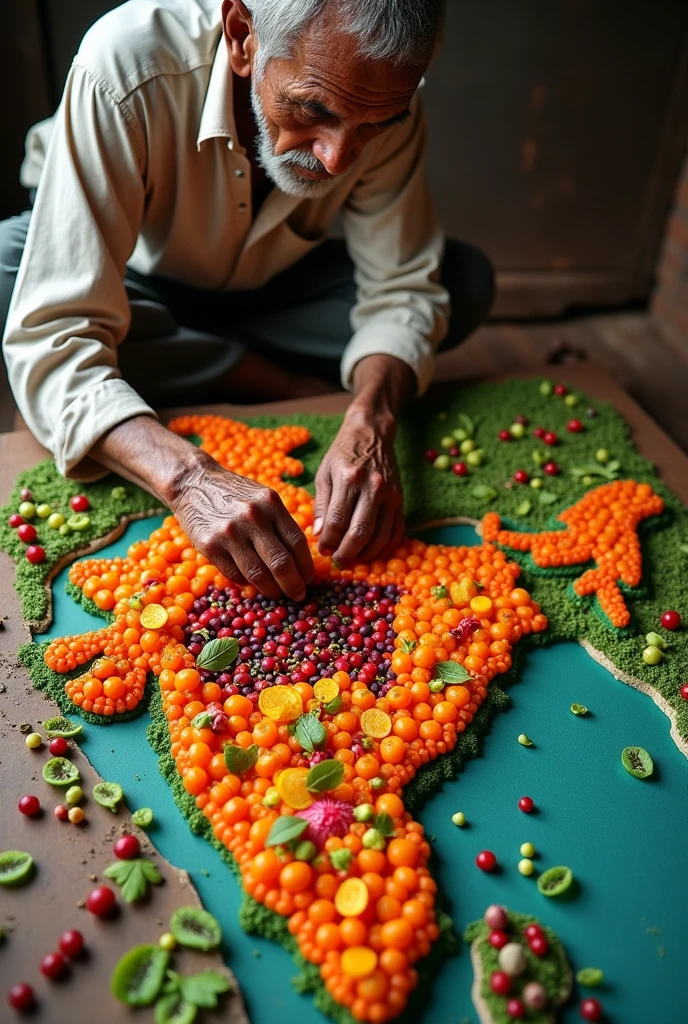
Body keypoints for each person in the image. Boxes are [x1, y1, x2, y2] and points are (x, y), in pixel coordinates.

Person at [0, 0, 494, 603]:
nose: (337, 158)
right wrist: (187, 477)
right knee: (6, 271)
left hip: (270, 290)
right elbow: (58, 323)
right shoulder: (126, 62)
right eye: (313, 110)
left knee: (463, 280)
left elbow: (401, 284)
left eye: (372, 127)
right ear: (242, 36)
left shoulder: (382, 94)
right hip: (135, 284)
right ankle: (262, 374)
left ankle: (196, 364)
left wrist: (372, 417)